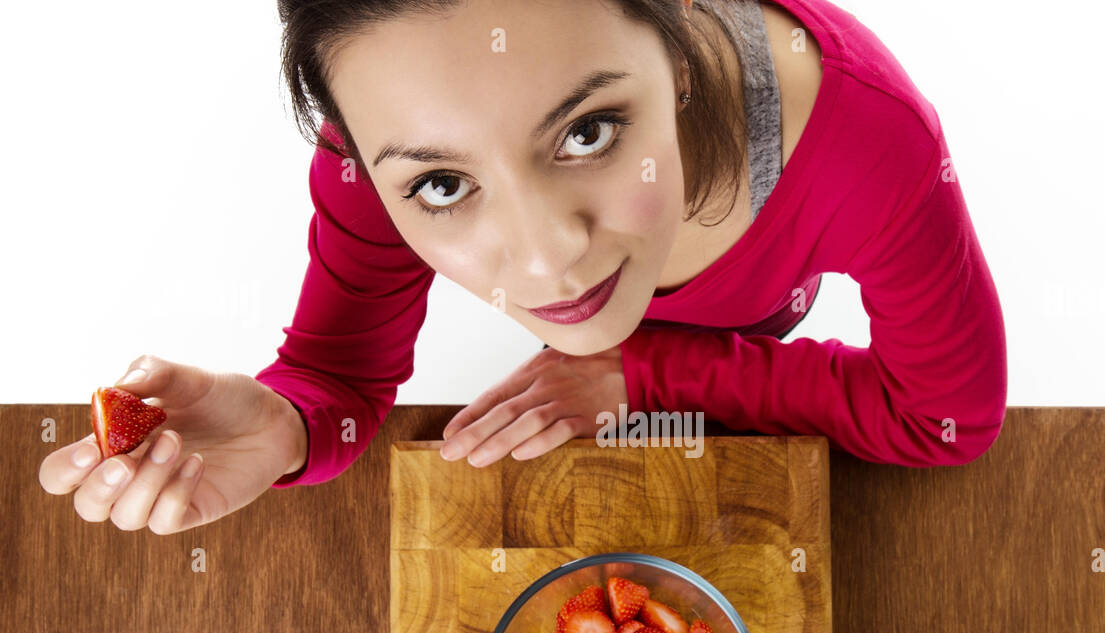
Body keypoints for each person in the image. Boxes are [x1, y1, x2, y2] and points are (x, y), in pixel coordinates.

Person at [39, 0, 1007, 534]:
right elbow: (336, 379)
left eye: (589, 130)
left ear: (674, 51)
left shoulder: (864, 139)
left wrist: (649, 369)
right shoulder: (368, 152)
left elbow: (944, 417)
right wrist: (290, 423)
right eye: (442, 186)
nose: (548, 260)